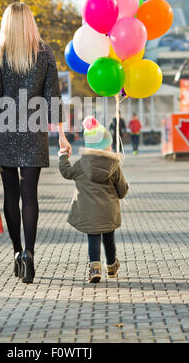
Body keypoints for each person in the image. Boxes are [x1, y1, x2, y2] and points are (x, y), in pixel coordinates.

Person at [0, 2, 72, 284]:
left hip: (4, 135)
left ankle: (17, 252)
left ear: (6, 24)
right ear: (30, 23)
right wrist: (62, 134)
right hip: (34, 133)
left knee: (11, 197)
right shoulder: (44, 54)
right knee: (31, 196)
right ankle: (30, 252)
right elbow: (54, 96)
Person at [58, 116, 128, 283]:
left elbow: (67, 172)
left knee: (93, 236)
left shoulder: (82, 163)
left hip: (89, 211)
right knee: (109, 238)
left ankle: (94, 268)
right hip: (109, 211)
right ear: (107, 145)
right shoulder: (114, 166)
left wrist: (62, 156)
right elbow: (122, 190)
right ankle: (111, 266)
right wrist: (126, 188)